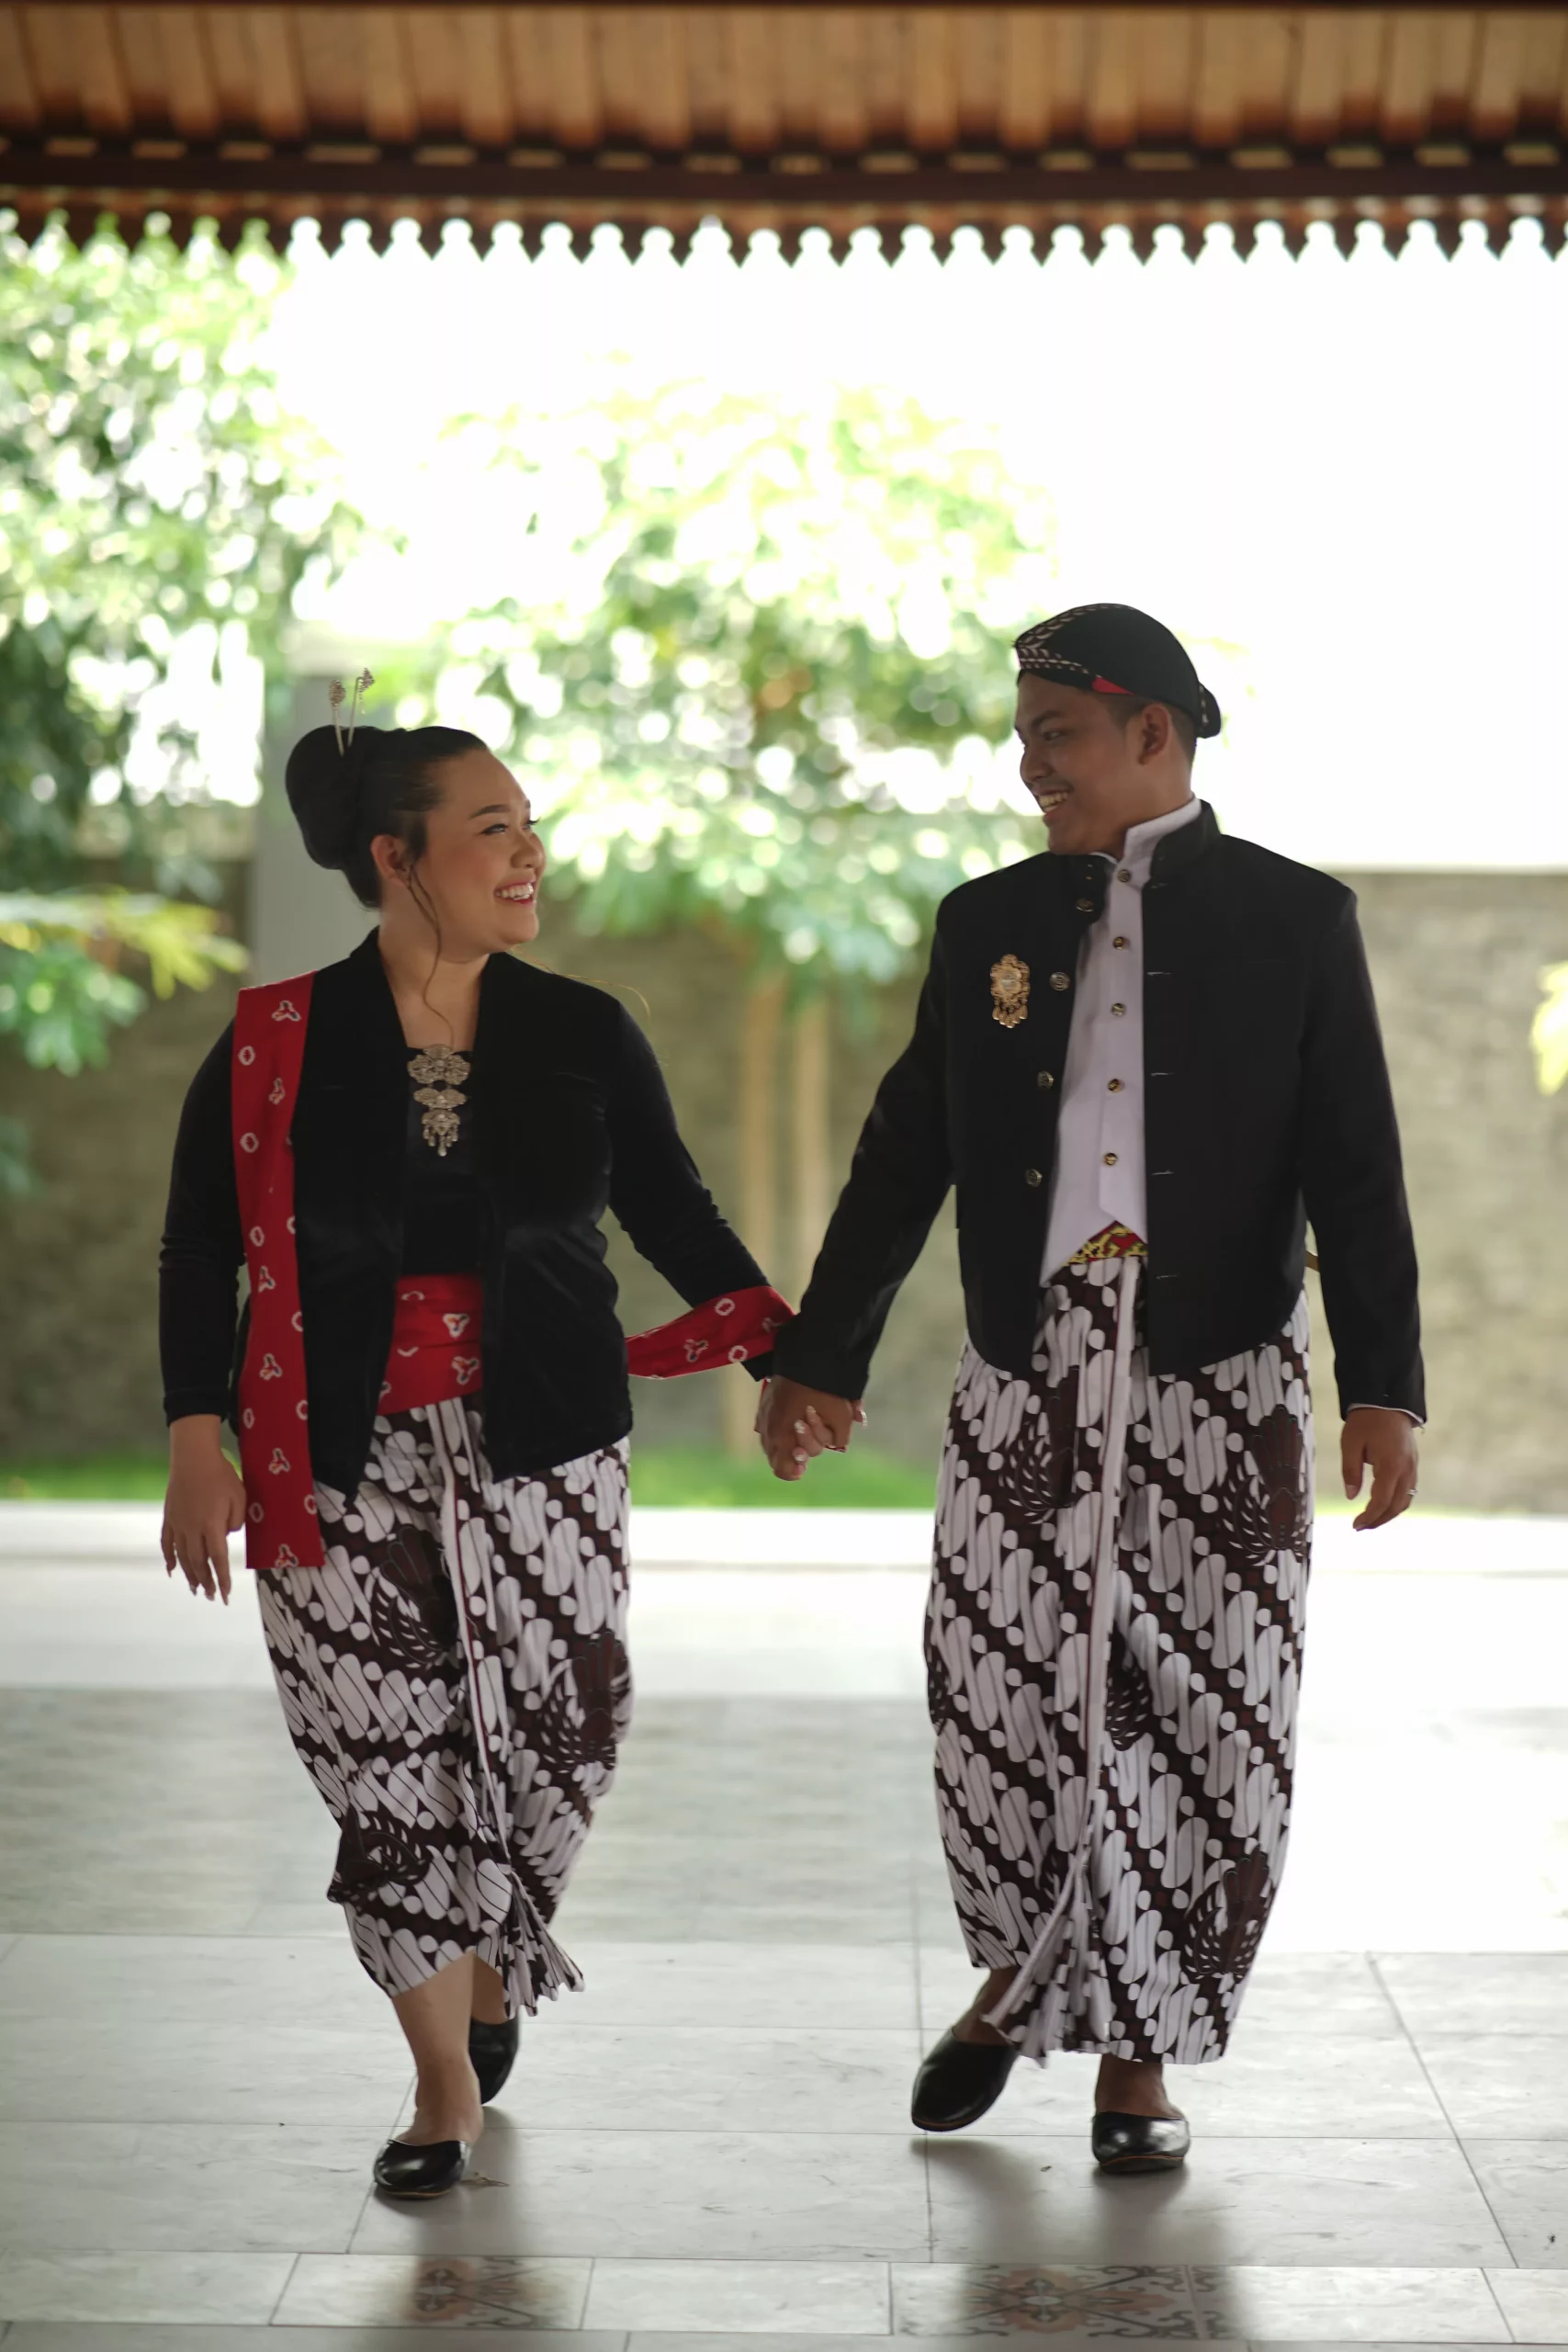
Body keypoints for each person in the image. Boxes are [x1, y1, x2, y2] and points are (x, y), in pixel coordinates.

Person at [759, 604, 1422, 2172]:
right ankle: (1016, 1974)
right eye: (1023, 735)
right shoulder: (982, 920)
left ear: (1152, 734)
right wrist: (821, 1353)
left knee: (1203, 1706)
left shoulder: (1295, 919)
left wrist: (1382, 1386)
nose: (1029, 763)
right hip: (1028, 1359)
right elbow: (904, 1149)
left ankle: (1136, 2065)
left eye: (1055, 734)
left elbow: (1355, 1165)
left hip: (1223, 1371)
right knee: (997, 1682)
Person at [160, 690, 785, 2199]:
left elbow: (673, 1211)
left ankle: (496, 1952)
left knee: (568, 1738)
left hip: (545, 1443)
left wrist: (788, 1353)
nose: (528, 855)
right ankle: (442, 2085)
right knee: (387, 1767)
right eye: (492, 829)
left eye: (528, 826)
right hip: (327, 1451)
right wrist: (195, 1438)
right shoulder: (272, 1041)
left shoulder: (581, 1030)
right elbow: (198, 1249)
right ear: (397, 858)